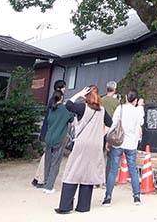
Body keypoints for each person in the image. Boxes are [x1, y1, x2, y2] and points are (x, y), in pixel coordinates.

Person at [55, 85, 113, 215]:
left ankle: (65, 206)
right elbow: (111, 124)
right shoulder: (102, 110)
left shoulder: (82, 107)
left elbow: (68, 104)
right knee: (89, 174)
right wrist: (101, 134)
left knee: (72, 172)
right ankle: (83, 206)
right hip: (96, 145)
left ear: (86, 95)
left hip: (81, 144)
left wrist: (79, 94)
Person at [103, 90, 145, 206]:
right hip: (131, 144)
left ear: (126, 97)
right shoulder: (137, 111)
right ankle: (136, 196)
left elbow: (113, 124)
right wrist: (140, 106)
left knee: (113, 170)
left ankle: (108, 197)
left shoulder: (120, 109)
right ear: (135, 100)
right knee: (133, 170)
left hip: (118, 143)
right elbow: (141, 122)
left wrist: (108, 140)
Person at [32, 79, 67, 188]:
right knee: (47, 157)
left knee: (46, 156)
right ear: (59, 89)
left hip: (49, 131)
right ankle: (41, 179)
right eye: (63, 87)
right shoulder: (54, 101)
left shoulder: (53, 100)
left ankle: (38, 178)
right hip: (51, 132)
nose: (65, 89)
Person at [42, 91, 75, 194]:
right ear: (62, 98)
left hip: (48, 138)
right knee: (55, 163)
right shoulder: (64, 110)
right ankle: (49, 186)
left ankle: (46, 182)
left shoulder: (52, 109)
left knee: (48, 161)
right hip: (58, 139)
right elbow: (71, 118)